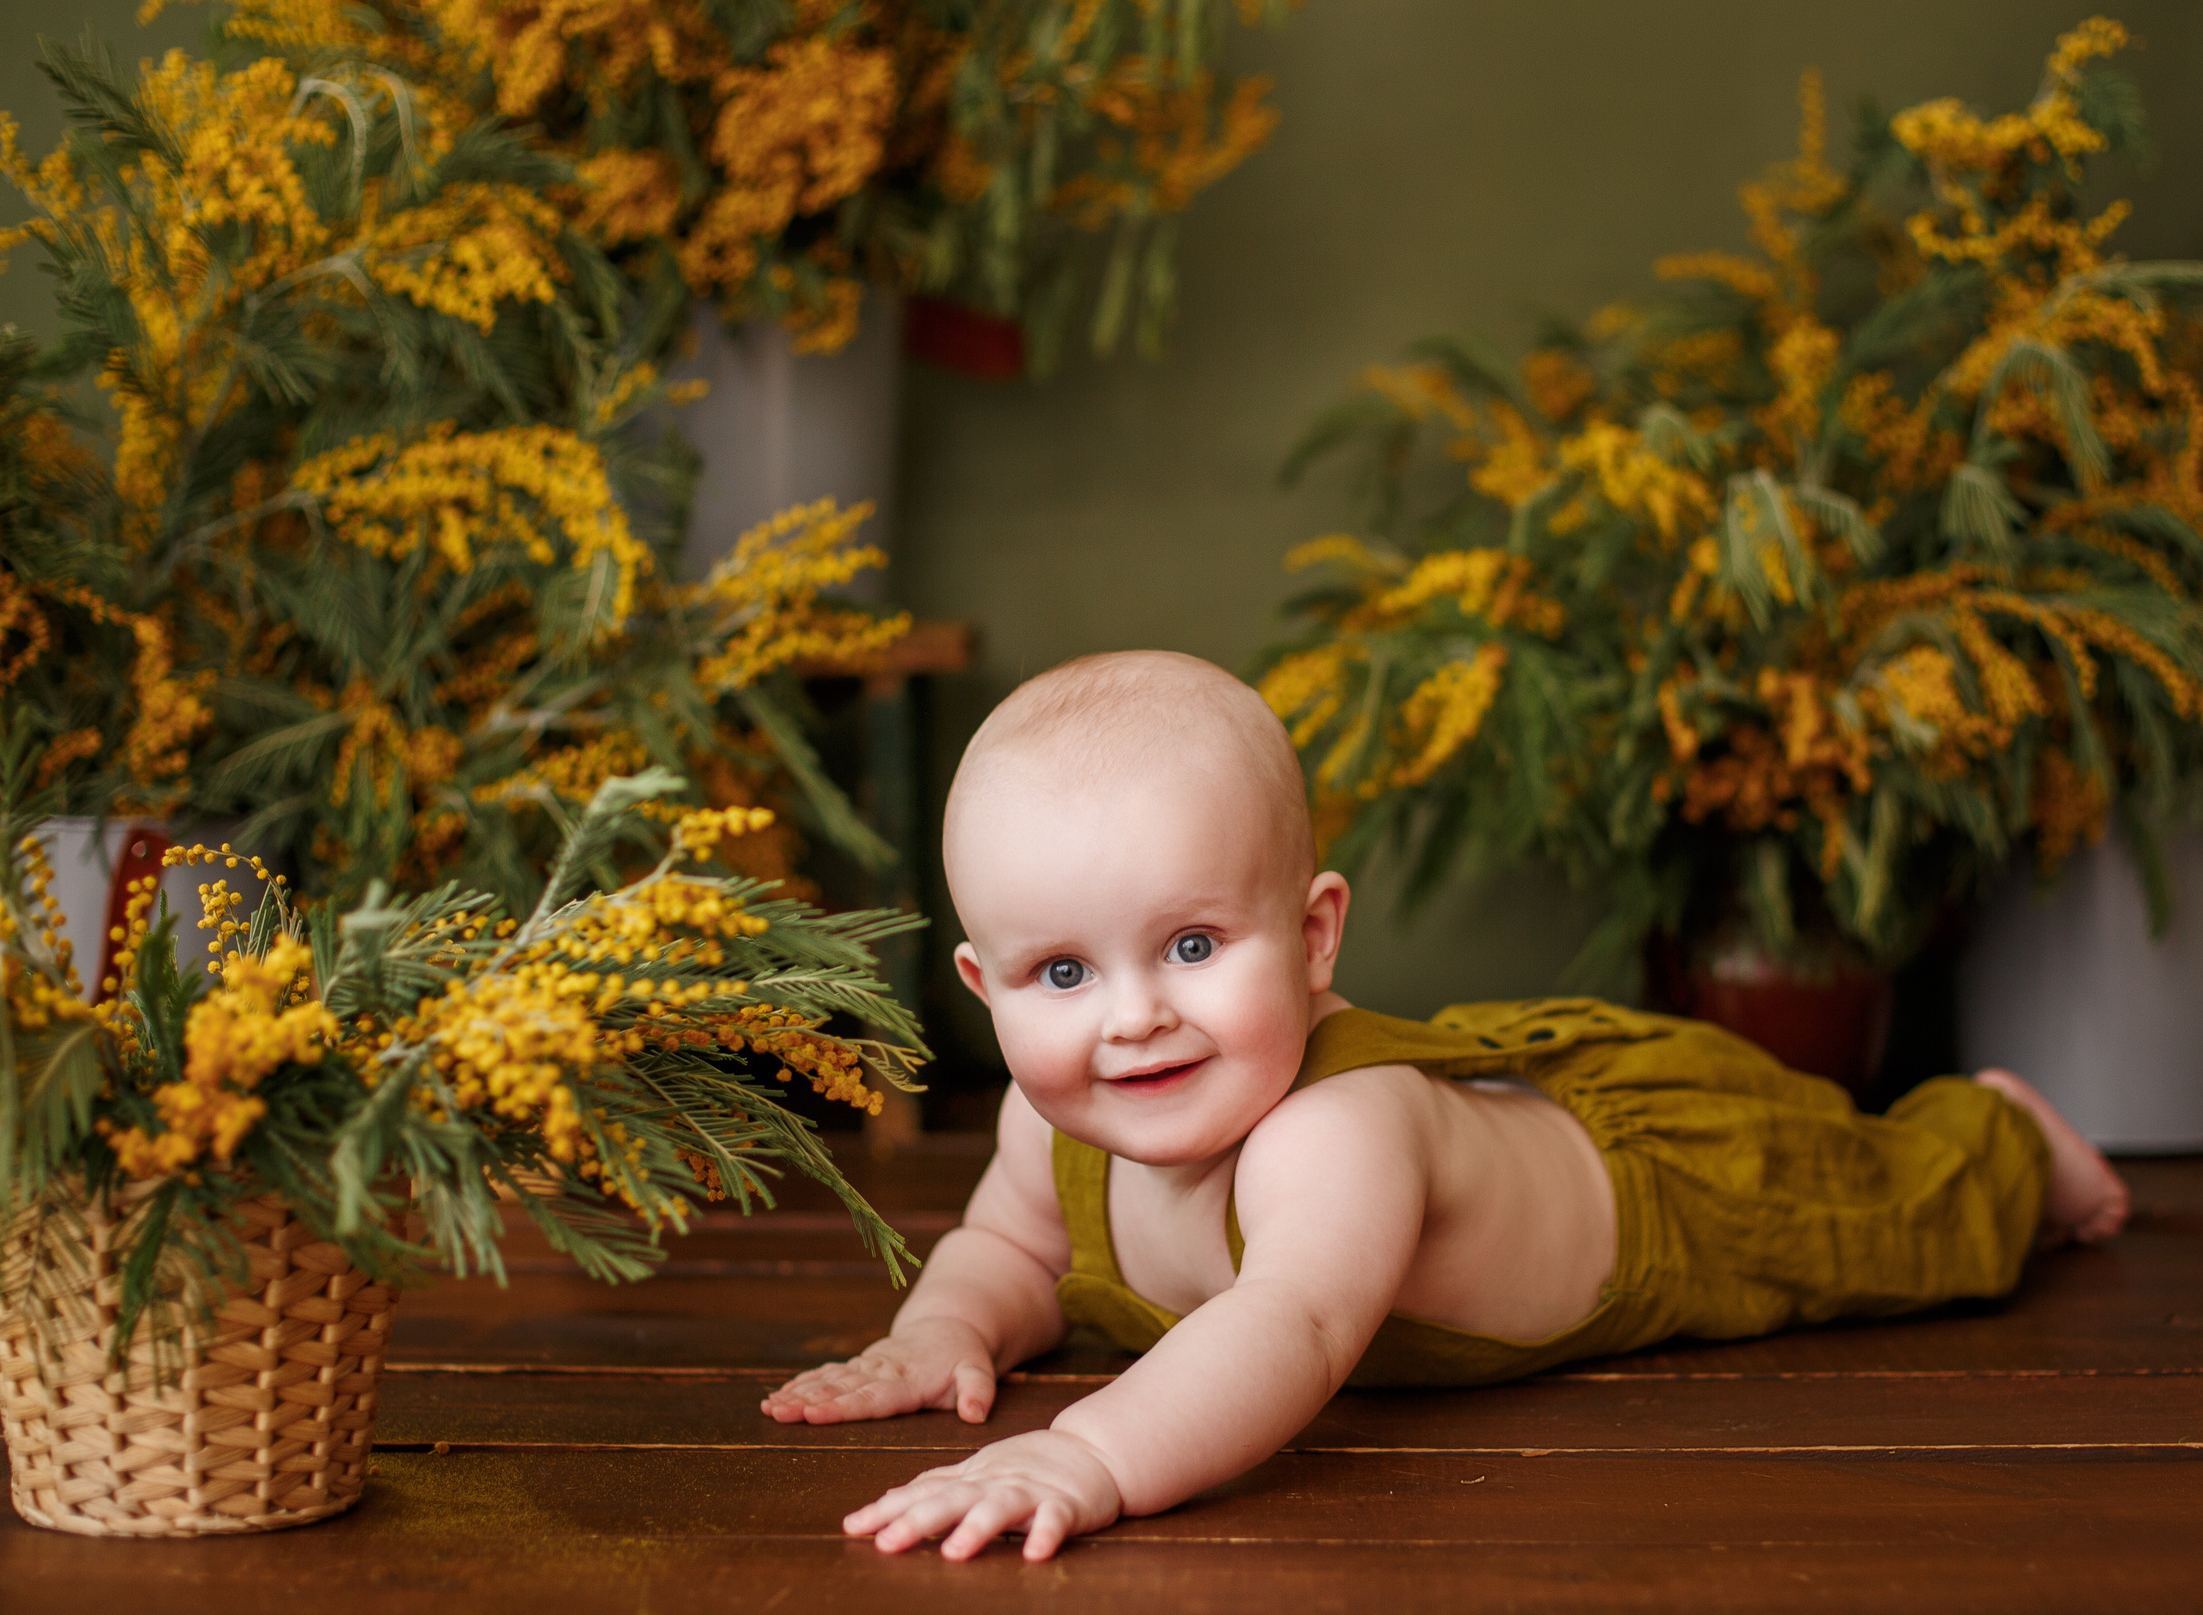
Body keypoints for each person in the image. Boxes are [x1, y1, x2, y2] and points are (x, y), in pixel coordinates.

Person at [761, 650, 2130, 1562]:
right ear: (981, 987)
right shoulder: (1044, 1121)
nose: (1133, 1017)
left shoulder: (1332, 1136)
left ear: (1312, 940)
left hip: (1665, 1187)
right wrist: (940, 1331)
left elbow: (1287, 1325)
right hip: (1474, 1089)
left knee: (1889, 1213)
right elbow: (1014, 1252)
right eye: (1062, 971)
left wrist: (1083, 1459)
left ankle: (2004, 1132)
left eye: (1191, 946)